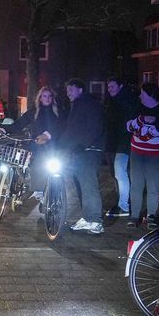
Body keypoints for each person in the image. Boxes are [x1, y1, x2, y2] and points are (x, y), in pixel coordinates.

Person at [0, 86, 65, 200]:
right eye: (44, 96)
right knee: (33, 163)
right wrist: (3, 129)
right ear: (40, 98)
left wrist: (47, 135)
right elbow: (18, 125)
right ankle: (37, 189)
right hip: (36, 146)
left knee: (55, 168)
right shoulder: (33, 113)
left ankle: (54, 190)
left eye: (50, 96)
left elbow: (61, 128)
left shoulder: (58, 113)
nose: (47, 99)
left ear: (53, 98)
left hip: (53, 146)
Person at [59, 78, 106, 235]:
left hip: (90, 150)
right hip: (80, 151)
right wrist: (61, 145)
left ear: (80, 89)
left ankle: (96, 221)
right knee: (82, 185)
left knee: (89, 185)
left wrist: (83, 145)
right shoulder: (77, 105)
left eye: (71, 90)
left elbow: (95, 127)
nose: (68, 93)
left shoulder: (89, 104)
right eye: (67, 91)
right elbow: (72, 129)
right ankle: (87, 217)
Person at [126, 83, 159, 228]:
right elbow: (129, 126)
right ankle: (134, 216)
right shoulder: (137, 108)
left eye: (142, 93)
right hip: (137, 152)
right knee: (136, 184)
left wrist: (150, 126)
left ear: (150, 94)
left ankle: (151, 216)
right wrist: (142, 120)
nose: (140, 96)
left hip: (156, 154)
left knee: (153, 185)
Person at [103, 78, 139, 218]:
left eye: (112, 86)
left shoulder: (125, 101)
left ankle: (124, 205)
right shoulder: (114, 101)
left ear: (120, 86)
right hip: (114, 143)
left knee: (120, 172)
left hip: (122, 143)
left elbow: (124, 123)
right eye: (108, 87)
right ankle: (122, 201)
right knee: (117, 173)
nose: (109, 89)